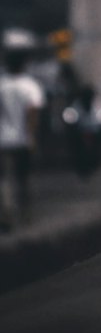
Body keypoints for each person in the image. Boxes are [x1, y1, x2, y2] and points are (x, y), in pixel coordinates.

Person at [0, 46, 45, 229]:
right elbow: (32, 114)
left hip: (2, 140)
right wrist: (32, 136)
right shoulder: (30, 86)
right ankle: (25, 216)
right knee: (22, 179)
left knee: (3, 181)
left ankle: (5, 217)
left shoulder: (1, 84)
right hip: (22, 140)